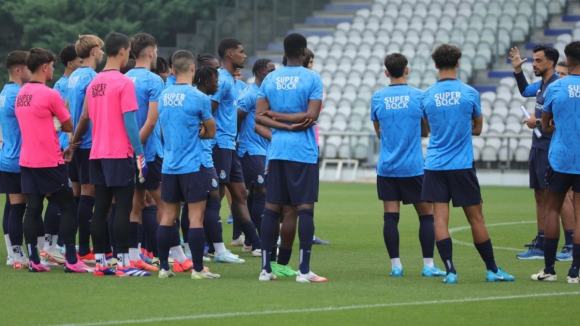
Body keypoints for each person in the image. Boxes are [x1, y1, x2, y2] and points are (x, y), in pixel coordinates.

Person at [421, 44, 514, 284]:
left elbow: (427, 129)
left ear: (435, 65)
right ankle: (492, 269)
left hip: (435, 165)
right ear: (458, 63)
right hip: (461, 165)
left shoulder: (427, 95)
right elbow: (479, 128)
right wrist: (461, 131)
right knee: (476, 219)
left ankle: (450, 270)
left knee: (440, 220)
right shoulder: (469, 92)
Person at [66, 32, 150, 277]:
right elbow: (131, 123)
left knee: (100, 207)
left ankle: (102, 263)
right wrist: (140, 153)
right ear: (124, 51)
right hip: (118, 153)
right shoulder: (124, 82)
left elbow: (86, 117)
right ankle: (124, 264)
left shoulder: (94, 83)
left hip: (97, 153)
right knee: (123, 208)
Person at [255, 33, 326, 282]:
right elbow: (311, 115)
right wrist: (291, 123)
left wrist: (277, 118)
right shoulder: (312, 78)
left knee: (272, 208)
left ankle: (266, 270)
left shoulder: (270, 79)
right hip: (303, 152)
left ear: (285, 51)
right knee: (305, 209)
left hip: (276, 152)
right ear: (304, 51)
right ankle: (304, 271)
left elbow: (260, 116)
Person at [15, 47, 92, 273]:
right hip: (49, 160)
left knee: (33, 208)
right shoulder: (50, 94)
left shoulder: (21, 93)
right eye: (52, 65)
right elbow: (69, 125)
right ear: (46, 67)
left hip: (27, 160)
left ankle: (34, 260)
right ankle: (70, 259)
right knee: (68, 206)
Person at [371, 53, 445, 278]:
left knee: (390, 216)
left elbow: (379, 132)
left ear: (386, 72)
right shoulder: (419, 96)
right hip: (413, 166)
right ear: (407, 70)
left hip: (387, 166)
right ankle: (428, 265)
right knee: (426, 215)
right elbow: (426, 130)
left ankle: (396, 266)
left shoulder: (377, 97)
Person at [156, 50, 220, 279]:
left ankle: (163, 267)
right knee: (195, 217)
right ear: (193, 68)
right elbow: (211, 131)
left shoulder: (163, 96)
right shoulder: (199, 98)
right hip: (192, 165)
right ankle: (198, 270)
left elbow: (162, 131)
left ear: (172, 70)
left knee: (167, 216)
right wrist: (199, 132)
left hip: (169, 164)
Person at [510, 46, 575, 261]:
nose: (534, 64)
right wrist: (517, 70)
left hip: (551, 146)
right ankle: (541, 241)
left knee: (559, 196)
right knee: (540, 194)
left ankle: (570, 244)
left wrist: (536, 121)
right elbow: (524, 91)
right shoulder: (542, 85)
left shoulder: (558, 85)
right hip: (538, 145)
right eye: (533, 60)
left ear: (550, 63)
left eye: (538, 60)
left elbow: (559, 120)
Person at [210, 38, 261, 255]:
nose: (245, 55)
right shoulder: (221, 80)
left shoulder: (230, 80)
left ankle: (256, 243)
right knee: (215, 196)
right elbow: (207, 110)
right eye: (241, 51)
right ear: (230, 54)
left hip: (230, 145)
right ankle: (212, 247)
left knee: (240, 194)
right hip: (219, 144)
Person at [534, 41, 580, 283]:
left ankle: (549, 270)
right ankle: (575, 272)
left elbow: (545, 123)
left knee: (553, 209)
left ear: (568, 62)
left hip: (561, 156)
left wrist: (552, 125)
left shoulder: (557, 87)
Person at [194, 54, 245, 264]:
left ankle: (213, 246)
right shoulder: (204, 96)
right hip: (215, 147)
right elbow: (207, 118)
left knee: (224, 194)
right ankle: (208, 247)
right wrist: (209, 133)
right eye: (214, 72)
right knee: (212, 196)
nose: (218, 76)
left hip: (224, 144)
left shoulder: (227, 83)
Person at [125, 33, 165, 272]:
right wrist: (137, 151)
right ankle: (170, 255)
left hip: (126, 150)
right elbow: (151, 122)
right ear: (151, 52)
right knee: (165, 204)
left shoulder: (124, 78)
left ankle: (134, 255)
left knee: (136, 203)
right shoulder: (153, 81)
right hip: (147, 152)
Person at [66, 34, 105, 264]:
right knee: (89, 196)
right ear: (92, 51)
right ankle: (83, 248)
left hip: (79, 142)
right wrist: (75, 140)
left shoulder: (73, 76)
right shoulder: (91, 77)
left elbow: (70, 108)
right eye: (100, 50)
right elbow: (86, 115)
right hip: (87, 142)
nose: (101, 53)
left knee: (80, 196)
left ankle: (79, 247)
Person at [237, 58, 275, 254]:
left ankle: (250, 241)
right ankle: (258, 241)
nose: (273, 73)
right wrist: (237, 139)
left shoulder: (266, 94)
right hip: (251, 149)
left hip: (264, 148)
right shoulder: (251, 94)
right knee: (260, 191)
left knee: (253, 193)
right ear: (260, 72)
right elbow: (238, 116)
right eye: (270, 70)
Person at [0, 50, 30, 269]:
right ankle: (19, 254)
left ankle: (13, 254)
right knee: (21, 207)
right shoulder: (18, 95)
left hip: (7, 156)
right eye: (30, 67)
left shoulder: (4, 93)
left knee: (12, 205)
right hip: (20, 158)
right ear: (19, 70)